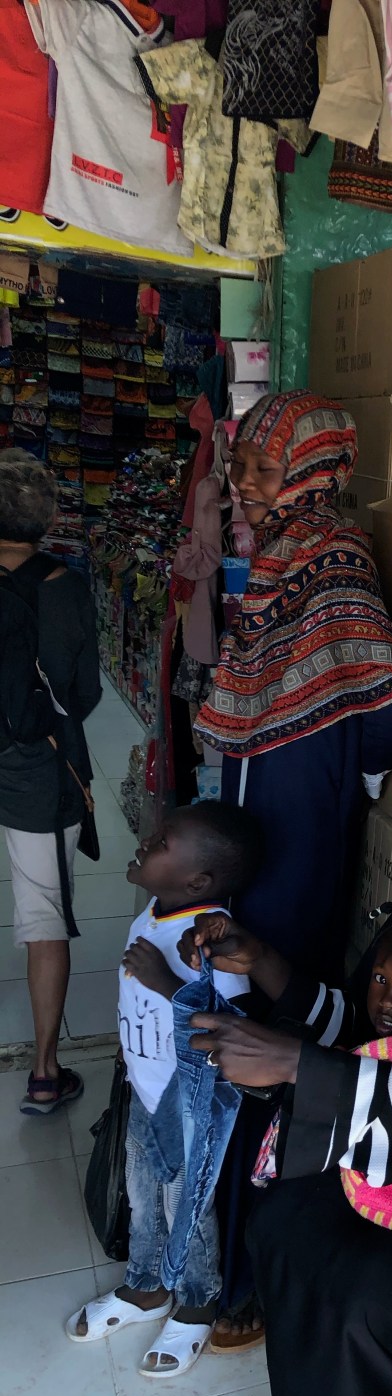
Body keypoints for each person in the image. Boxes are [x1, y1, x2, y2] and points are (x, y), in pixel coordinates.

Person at [192, 389, 392, 1347]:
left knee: (275, 1021)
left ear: (315, 472)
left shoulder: (334, 562)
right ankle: (226, 1244)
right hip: (258, 826)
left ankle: (250, 1270)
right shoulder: (275, 560)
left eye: (264, 466)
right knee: (239, 998)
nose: (245, 481)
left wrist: (348, 785)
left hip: (301, 830)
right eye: (241, 462)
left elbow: (386, 706)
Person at [179, 905, 392, 1396]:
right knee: (279, 1223)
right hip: (367, 1194)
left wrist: (299, 1065)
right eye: (381, 980)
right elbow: (354, 1025)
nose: (389, 999)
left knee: (365, 1300)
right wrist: (260, 959)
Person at [65, 800, 265, 1377]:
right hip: (144, 1088)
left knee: (187, 1206)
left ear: (197, 881)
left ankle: (198, 1300)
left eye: (161, 843)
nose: (145, 844)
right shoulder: (154, 913)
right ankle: (146, 1285)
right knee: (142, 1192)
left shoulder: (210, 938)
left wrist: (165, 981)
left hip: (187, 1101)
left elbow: (226, 1026)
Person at [0, 451, 101, 1117]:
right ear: (49, 517)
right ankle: (43, 1072)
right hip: (39, 767)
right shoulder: (67, 589)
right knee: (44, 919)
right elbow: (83, 694)